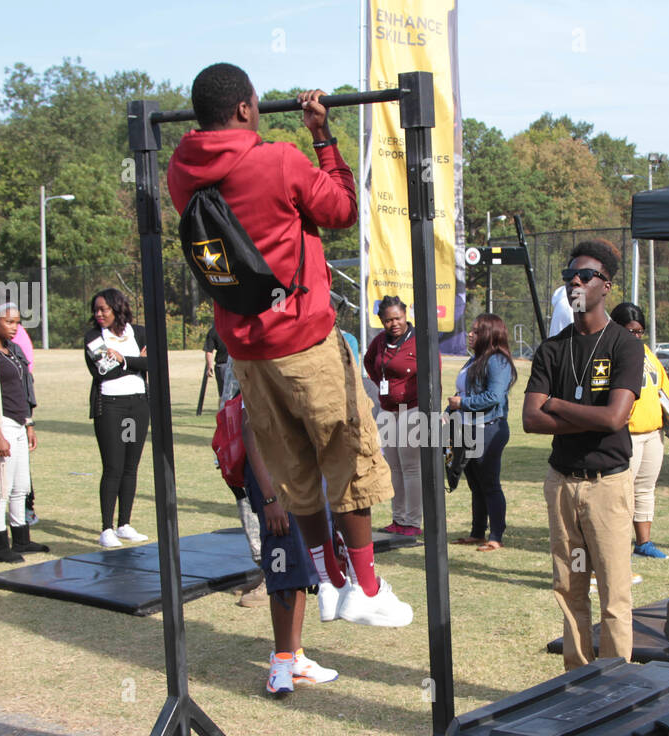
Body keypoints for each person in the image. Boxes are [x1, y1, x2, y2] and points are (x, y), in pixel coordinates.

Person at [167, 62, 411, 627]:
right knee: (347, 454)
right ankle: (367, 590)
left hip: (246, 350)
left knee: (291, 464)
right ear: (247, 109)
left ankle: (328, 579)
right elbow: (344, 210)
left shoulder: (182, 173)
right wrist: (322, 137)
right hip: (302, 337)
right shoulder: (277, 159)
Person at [523, 239, 643, 670]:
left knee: (614, 591)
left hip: (607, 485)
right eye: (569, 275)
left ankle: (614, 683)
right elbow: (530, 420)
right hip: (562, 484)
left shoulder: (624, 346)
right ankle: (574, 682)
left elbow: (615, 418)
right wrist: (587, 416)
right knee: (569, 587)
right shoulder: (552, 349)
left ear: (605, 285)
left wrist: (555, 403)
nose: (575, 280)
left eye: (586, 275)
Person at [240, 383, 340, 696]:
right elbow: (251, 430)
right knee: (284, 566)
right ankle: (280, 663)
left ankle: (294, 656)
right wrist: (270, 498)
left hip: (307, 475)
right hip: (276, 481)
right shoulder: (262, 362)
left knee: (301, 569)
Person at [609, 302, 669, 560]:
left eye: (639, 331)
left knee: (645, 489)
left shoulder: (647, 354)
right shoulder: (609, 353)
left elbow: (664, 389)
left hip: (653, 433)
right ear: (616, 328)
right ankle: (615, 546)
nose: (635, 336)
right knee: (621, 492)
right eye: (630, 330)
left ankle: (643, 543)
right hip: (625, 434)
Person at [0, 304, 45, 562]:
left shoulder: (14, 351)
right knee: (0, 488)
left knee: (20, 486)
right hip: (0, 426)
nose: (14, 327)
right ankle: (1, 545)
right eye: (9, 322)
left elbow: (23, 390)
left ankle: (21, 539)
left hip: (18, 424)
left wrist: (29, 423)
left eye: (17, 322)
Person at [85, 288, 150, 549]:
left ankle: (124, 524)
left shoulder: (140, 332)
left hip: (138, 405)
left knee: (130, 467)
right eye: (96, 310)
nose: (99, 314)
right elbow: (103, 372)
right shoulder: (93, 337)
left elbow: (154, 363)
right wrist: (134, 362)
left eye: (104, 309)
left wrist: (123, 359)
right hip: (111, 407)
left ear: (117, 308)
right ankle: (106, 528)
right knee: (113, 466)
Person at [448, 313, 516, 551]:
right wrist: (452, 410)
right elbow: (465, 391)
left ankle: (496, 535)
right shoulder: (475, 359)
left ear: (489, 334)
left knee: (490, 484)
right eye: (471, 330)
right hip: (468, 427)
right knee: (475, 485)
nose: (470, 334)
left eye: (476, 331)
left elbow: (494, 396)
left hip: (488, 429)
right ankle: (477, 533)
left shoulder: (498, 361)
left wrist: (462, 404)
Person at [364, 295, 422, 537]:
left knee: (411, 467)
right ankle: (398, 518)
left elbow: (434, 373)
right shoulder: (379, 342)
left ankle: (412, 521)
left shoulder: (419, 340)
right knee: (394, 468)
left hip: (413, 410)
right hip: (388, 410)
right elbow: (370, 364)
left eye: (397, 318)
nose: (394, 324)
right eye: (388, 320)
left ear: (406, 315)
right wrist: (385, 387)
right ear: (382, 321)